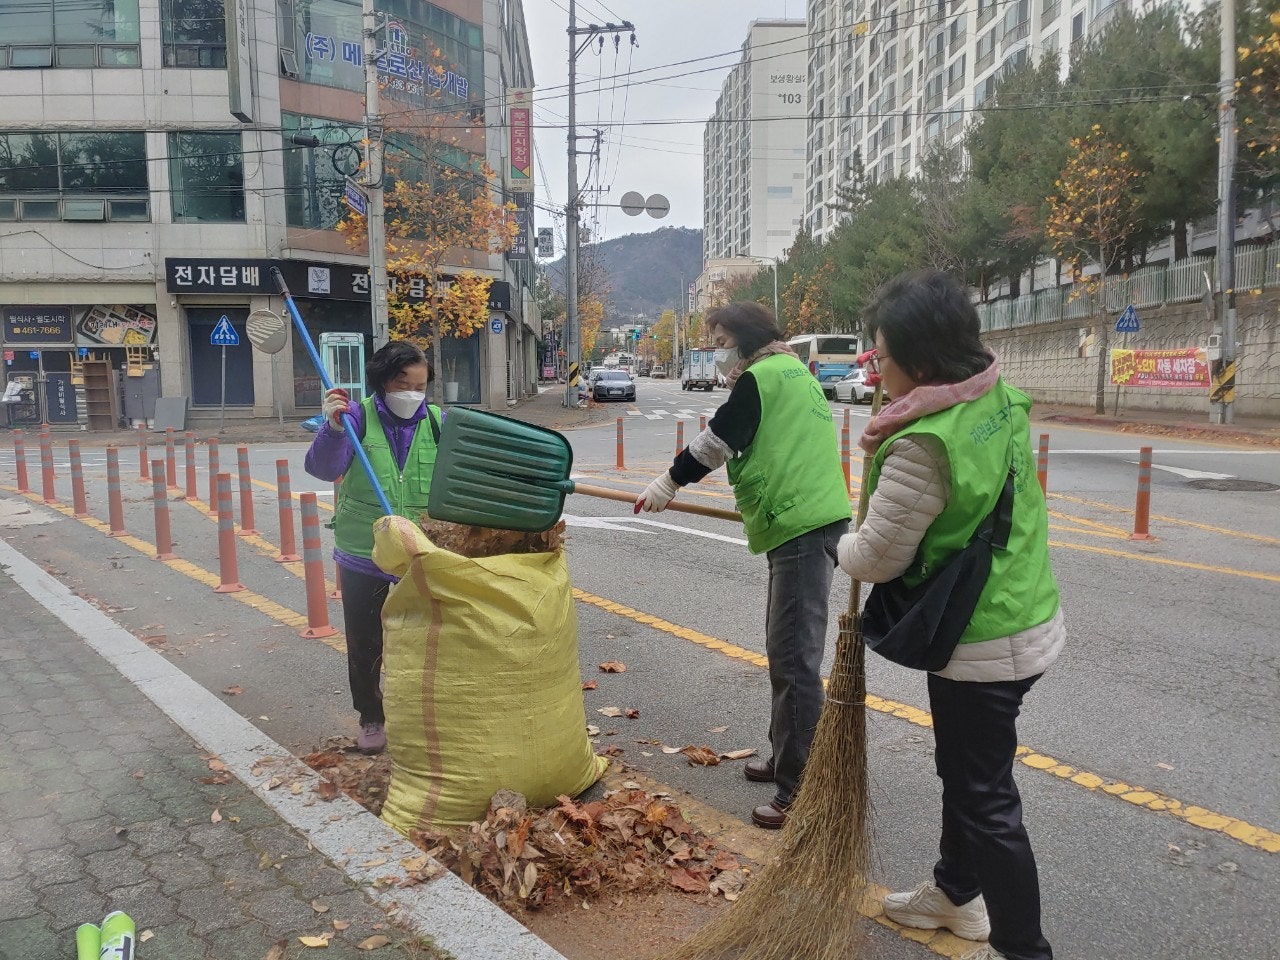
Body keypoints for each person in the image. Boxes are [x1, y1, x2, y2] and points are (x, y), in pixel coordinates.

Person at [838, 269, 1064, 960]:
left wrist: (839, 546)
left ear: (922, 364)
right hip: (1024, 615)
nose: (875, 368)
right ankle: (954, 895)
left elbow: (874, 558)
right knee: (967, 776)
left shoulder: (923, 443)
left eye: (882, 355)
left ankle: (1024, 951)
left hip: (982, 640)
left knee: (986, 800)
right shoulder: (994, 397)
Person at [634, 301, 851, 829]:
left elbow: (719, 440)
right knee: (787, 651)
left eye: (719, 337)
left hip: (800, 525)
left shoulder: (762, 377)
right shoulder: (793, 372)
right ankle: (786, 754)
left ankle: (798, 788)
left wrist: (669, 481)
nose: (714, 346)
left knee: (795, 658)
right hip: (807, 520)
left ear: (744, 337)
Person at [304, 340, 442, 755]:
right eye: (403, 384)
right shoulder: (356, 419)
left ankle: (419, 715)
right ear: (383, 381)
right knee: (366, 644)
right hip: (363, 554)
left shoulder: (438, 422)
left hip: (419, 553)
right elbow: (322, 468)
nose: (412, 394)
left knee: (424, 642)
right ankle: (371, 717)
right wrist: (331, 428)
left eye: (420, 386)